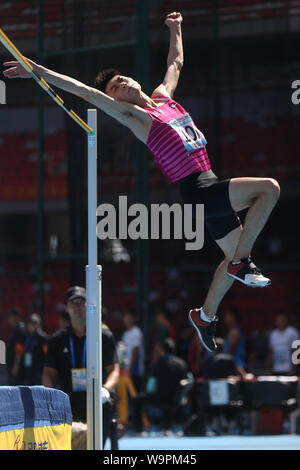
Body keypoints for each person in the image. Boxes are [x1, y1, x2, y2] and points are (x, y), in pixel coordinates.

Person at [3, 11, 280, 353]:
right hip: (198, 190)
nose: (121, 84)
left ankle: (205, 316)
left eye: (120, 79)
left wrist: (175, 28)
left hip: (209, 185)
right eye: (115, 88)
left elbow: (175, 62)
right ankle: (243, 262)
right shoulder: (135, 118)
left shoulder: (164, 98)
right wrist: (36, 69)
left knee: (230, 259)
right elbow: (84, 91)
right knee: (269, 188)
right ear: (117, 100)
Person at [42, 286, 120, 447]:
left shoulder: (104, 337)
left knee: (96, 445)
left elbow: (114, 370)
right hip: (67, 403)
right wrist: (50, 395)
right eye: (73, 303)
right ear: (66, 307)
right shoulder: (57, 340)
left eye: (81, 302)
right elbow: (48, 373)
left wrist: (106, 389)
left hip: (97, 401)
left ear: (88, 306)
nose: (77, 307)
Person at [132, 337, 188, 433]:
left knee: (137, 400)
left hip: (161, 398)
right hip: (176, 399)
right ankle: (167, 427)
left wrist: (149, 393)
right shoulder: (182, 363)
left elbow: (150, 387)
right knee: (168, 399)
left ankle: (138, 430)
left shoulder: (158, 364)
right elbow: (188, 381)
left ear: (162, 350)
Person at [266, 312, 300, 376]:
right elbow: (270, 352)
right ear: (275, 322)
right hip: (276, 369)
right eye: (278, 320)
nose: (280, 322)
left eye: (282, 320)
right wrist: (268, 369)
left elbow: (297, 351)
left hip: (289, 369)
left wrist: (293, 369)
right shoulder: (273, 334)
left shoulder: (293, 332)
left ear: (286, 321)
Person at [20, 313, 48, 385]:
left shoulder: (43, 338)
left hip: (39, 371)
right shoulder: (27, 337)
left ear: (39, 324)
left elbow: (48, 355)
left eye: (35, 323)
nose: (32, 325)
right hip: (28, 369)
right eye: (31, 323)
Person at [121, 309, 145, 393]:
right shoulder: (125, 334)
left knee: (135, 398)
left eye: (129, 317)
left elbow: (135, 352)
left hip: (135, 372)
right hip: (126, 372)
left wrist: (130, 370)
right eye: (125, 316)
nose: (127, 319)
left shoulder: (136, 332)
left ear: (134, 318)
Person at [222, 308, 247, 378]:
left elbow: (230, 355)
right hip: (235, 367)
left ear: (233, 317)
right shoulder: (231, 331)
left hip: (236, 368)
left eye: (227, 315)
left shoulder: (234, 333)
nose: (225, 318)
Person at [6, 307, 26, 385]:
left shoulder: (20, 330)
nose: (9, 320)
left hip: (19, 367)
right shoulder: (16, 329)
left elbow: (19, 348)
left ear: (16, 317)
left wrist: (16, 365)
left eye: (10, 318)